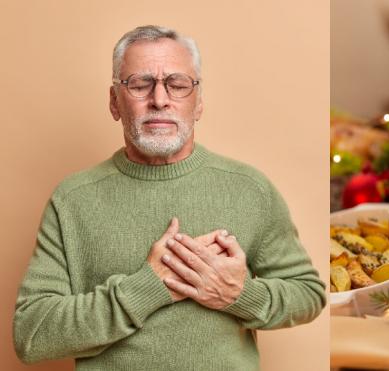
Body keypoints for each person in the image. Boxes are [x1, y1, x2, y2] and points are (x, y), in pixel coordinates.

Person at [13, 25, 325, 371]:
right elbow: (32, 333)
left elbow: (309, 294)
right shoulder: (72, 200)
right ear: (115, 102)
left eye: (177, 85)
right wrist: (145, 288)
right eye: (139, 84)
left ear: (199, 102)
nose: (159, 100)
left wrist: (239, 295)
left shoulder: (250, 189)